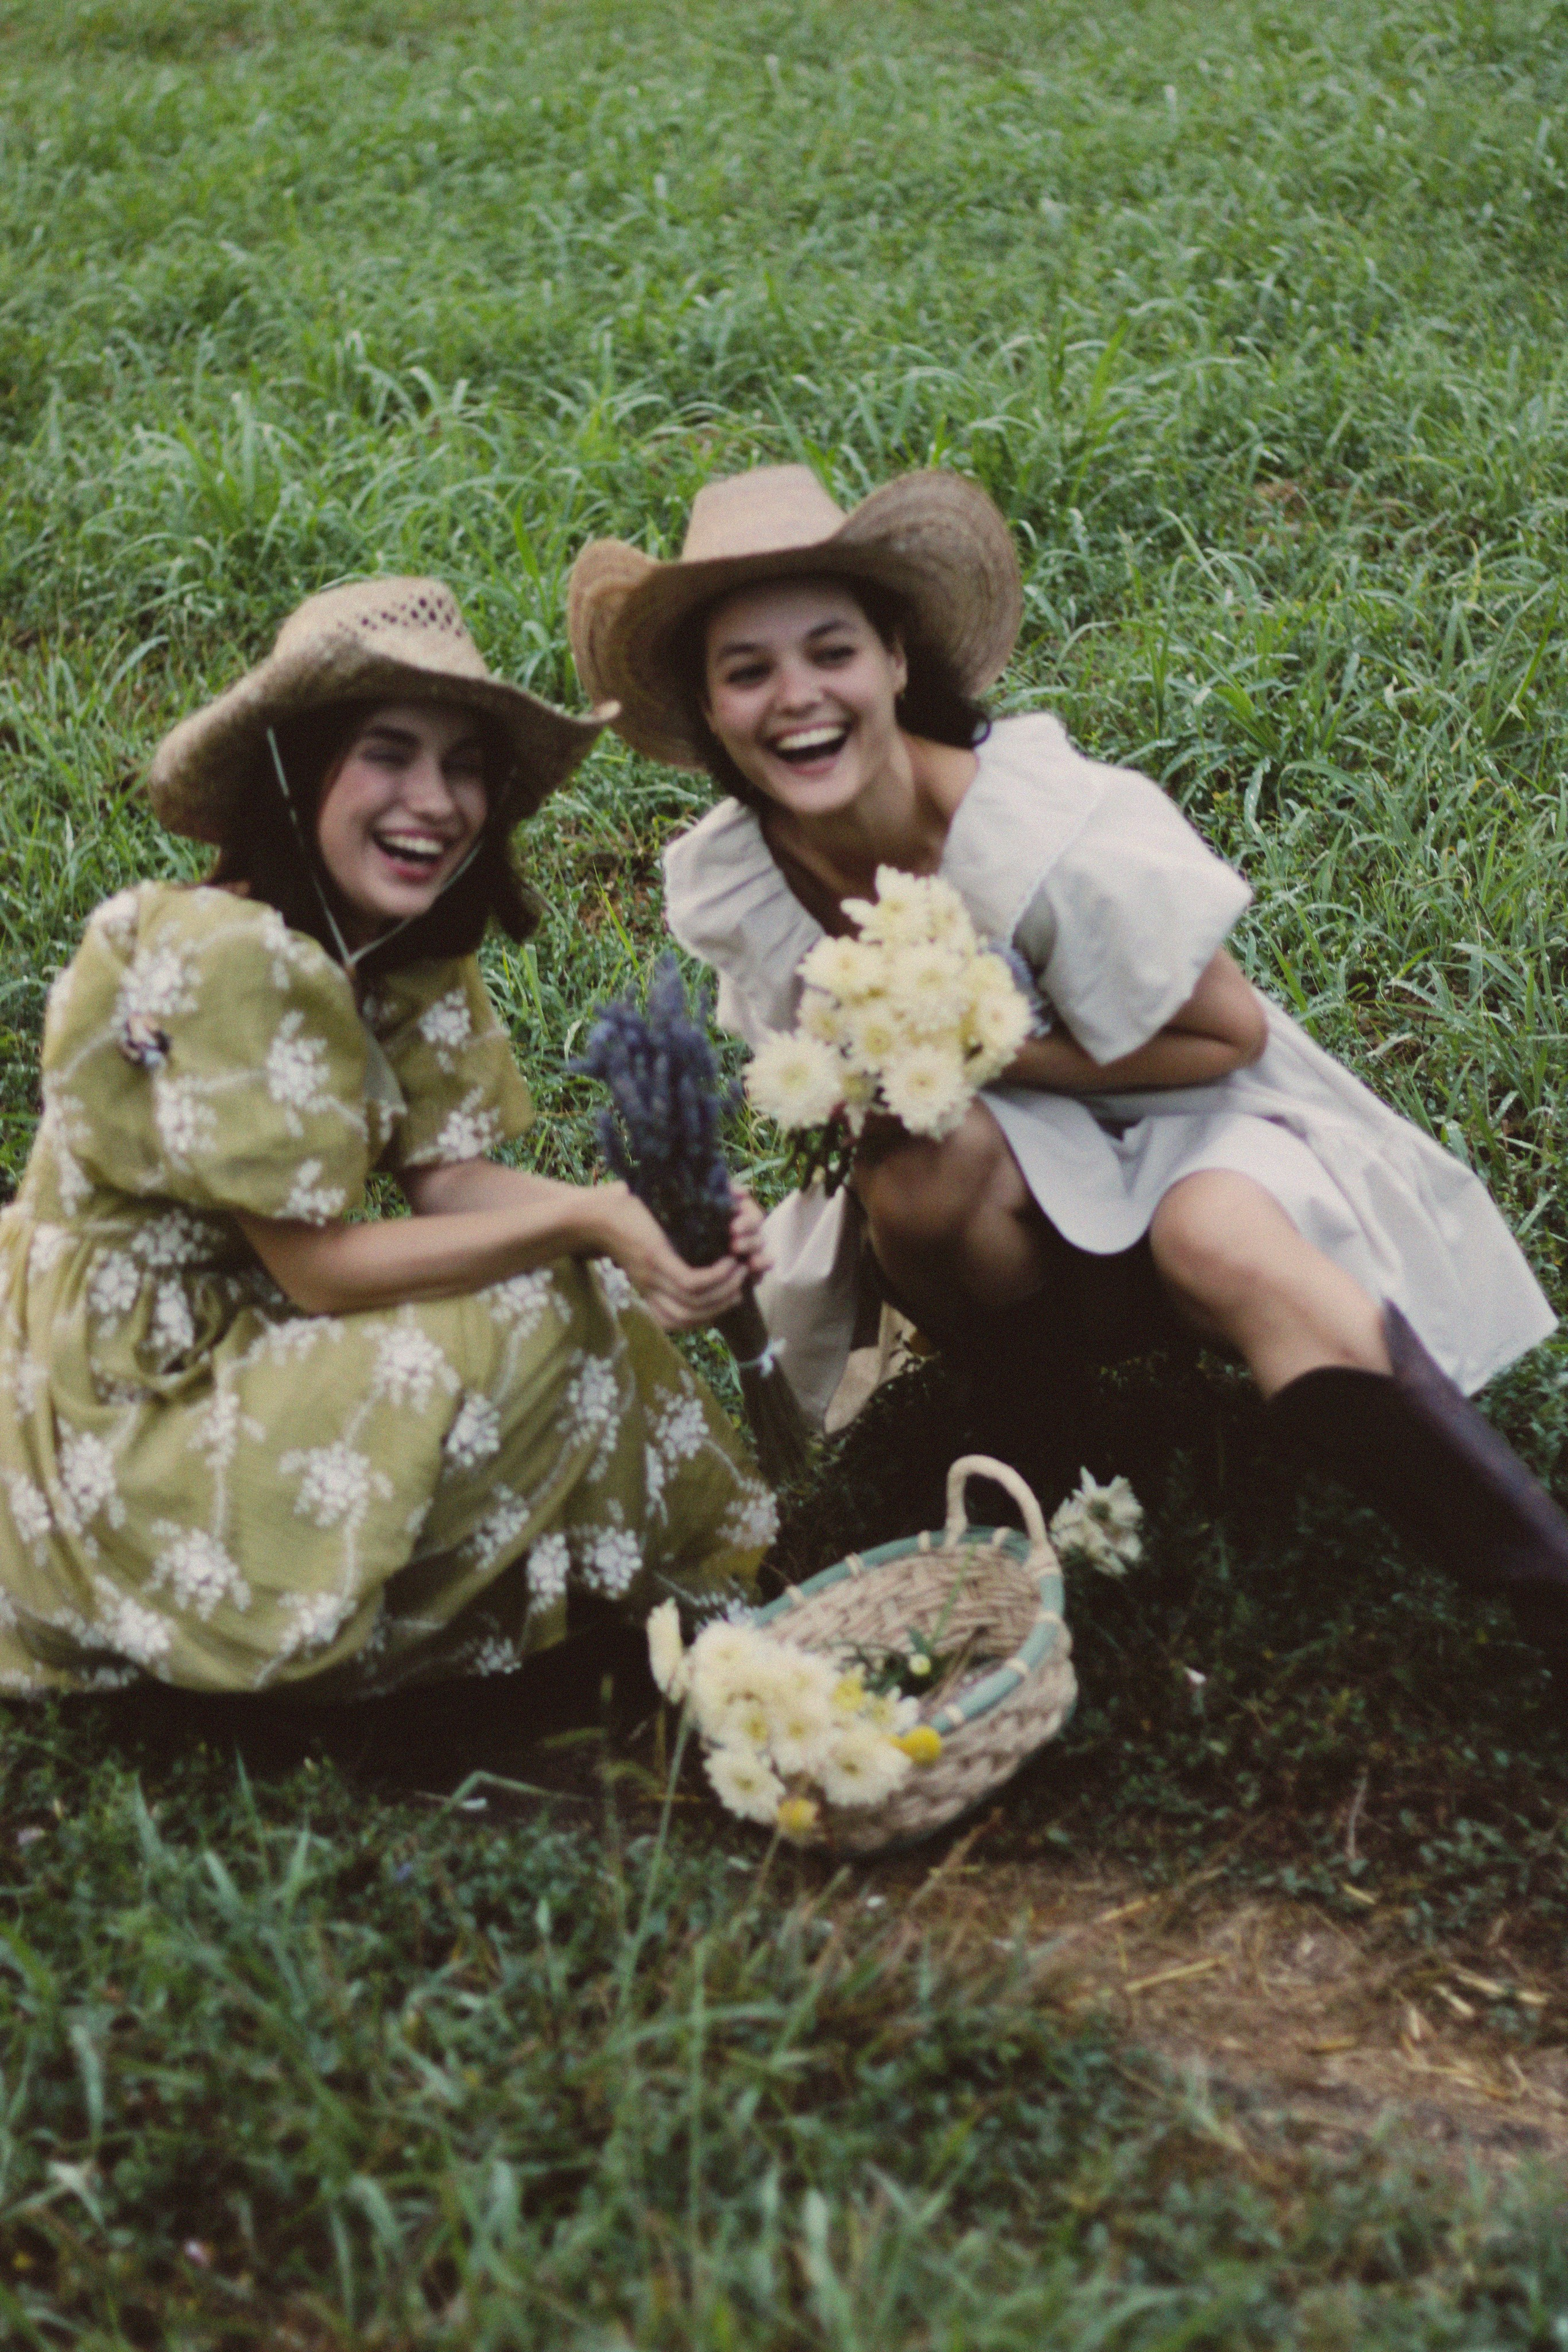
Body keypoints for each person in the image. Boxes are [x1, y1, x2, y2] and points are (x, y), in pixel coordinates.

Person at [567, 466, 1568, 1683]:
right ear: (710, 710)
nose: (796, 698)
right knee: (912, 1168)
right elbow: (821, 1078)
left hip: (1190, 1108)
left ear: (894, 659)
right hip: (1011, 1171)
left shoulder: (1041, 823)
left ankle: (1540, 1585)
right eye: (747, 671)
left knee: (1220, 1243)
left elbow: (1225, 1038)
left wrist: (978, 1050)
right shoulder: (740, 873)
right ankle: (1052, 1436)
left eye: (829, 650)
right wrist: (863, 1089)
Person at [0, 578, 775, 1698]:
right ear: (297, 765)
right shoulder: (228, 951)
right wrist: (589, 1217)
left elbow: (452, 1179)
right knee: (538, 1305)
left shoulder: (398, 947)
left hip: (237, 1322)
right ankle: (320, 1639)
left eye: (465, 765)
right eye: (387, 753)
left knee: (573, 1292)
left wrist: (648, 1219)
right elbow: (317, 1272)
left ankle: (609, 1607)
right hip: (124, 1395)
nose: (435, 799)